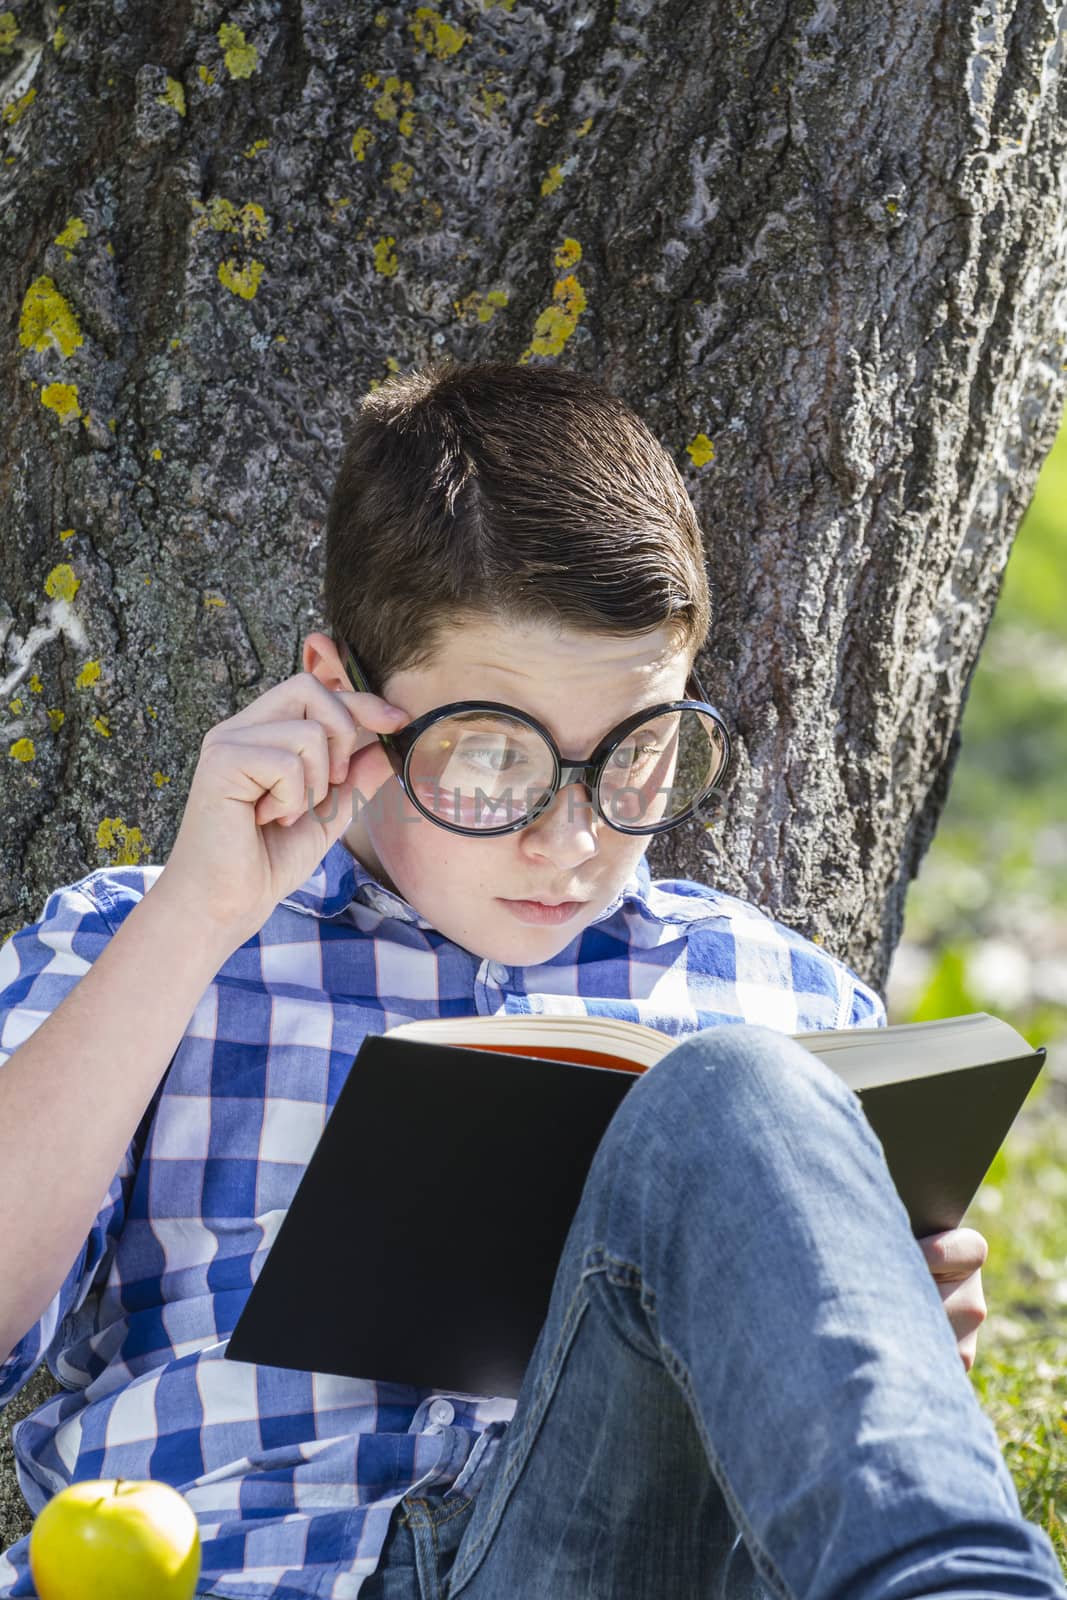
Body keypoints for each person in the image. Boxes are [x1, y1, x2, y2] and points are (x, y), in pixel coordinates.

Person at [0, 359, 1060, 1600]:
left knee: (735, 1096)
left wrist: (874, 1328)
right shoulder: (139, 941)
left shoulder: (784, 1003)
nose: (570, 843)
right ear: (340, 700)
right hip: (247, 1568)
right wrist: (196, 914)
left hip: (601, 1565)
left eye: (638, 753)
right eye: (491, 759)